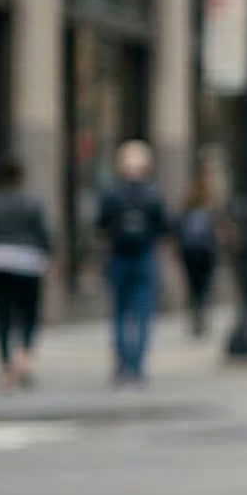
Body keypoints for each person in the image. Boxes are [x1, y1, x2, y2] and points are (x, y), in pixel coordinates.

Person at [94, 142, 169, 385]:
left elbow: (101, 224)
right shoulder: (153, 193)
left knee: (120, 312)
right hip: (143, 256)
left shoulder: (112, 193)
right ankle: (137, 366)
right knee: (143, 313)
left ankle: (123, 364)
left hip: (119, 256)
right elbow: (164, 226)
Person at [0, 157, 52, 391]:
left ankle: (7, 364)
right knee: (29, 314)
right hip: (28, 263)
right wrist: (49, 257)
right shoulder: (31, 202)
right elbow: (43, 234)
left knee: (2, 316)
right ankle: (24, 357)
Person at [174, 175, 221, 337]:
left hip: (191, 253)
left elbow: (177, 229)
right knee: (203, 287)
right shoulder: (209, 210)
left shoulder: (187, 209)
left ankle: (197, 316)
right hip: (204, 253)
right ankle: (200, 316)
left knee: (194, 287)